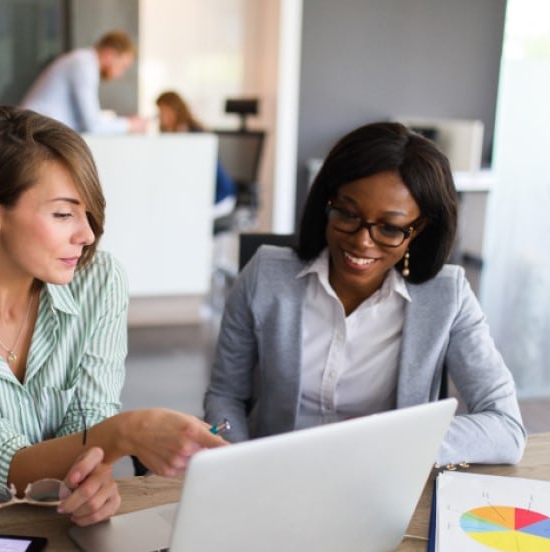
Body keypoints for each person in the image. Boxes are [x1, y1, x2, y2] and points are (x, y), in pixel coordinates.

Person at [0, 106, 224, 525]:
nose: (87, 234)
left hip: (48, 498)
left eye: (87, 212)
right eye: (63, 214)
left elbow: (91, 418)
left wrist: (93, 477)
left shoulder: (99, 281)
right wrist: (126, 433)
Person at [204, 121, 526, 467]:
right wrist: (236, 463)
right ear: (327, 203)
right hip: (274, 477)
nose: (361, 241)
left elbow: (506, 427)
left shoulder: (448, 297)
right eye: (347, 213)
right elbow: (226, 395)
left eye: (389, 228)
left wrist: (389, 443)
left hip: (382, 481)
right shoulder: (265, 275)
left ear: (419, 230)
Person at [20, 30, 146, 134]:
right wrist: (130, 125)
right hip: (35, 133)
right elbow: (92, 125)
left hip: (38, 131)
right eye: (123, 66)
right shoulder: (84, 65)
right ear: (109, 54)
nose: (120, 74)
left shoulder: (83, 61)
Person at [155, 90, 237, 217]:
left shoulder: (195, 136)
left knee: (186, 216)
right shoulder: (171, 136)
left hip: (219, 196)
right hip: (199, 196)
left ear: (174, 110)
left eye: (163, 112)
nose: (160, 117)